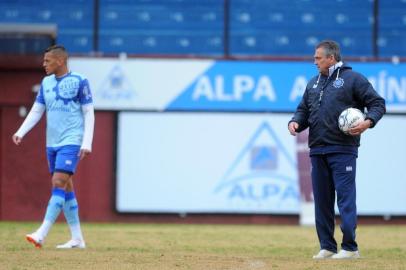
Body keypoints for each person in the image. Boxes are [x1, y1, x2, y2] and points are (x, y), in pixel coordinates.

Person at [288, 40, 385, 259]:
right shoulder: (313, 83)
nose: (314, 62)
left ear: (331, 58)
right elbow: (303, 110)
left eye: (318, 58)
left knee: (345, 200)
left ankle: (350, 248)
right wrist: (295, 122)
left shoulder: (353, 79)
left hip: (343, 149)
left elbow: (378, 103)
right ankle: (327, 247)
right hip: (317, 150)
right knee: (322, 201)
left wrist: (368, 121)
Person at [12, 44, 95, 249]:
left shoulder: (79, 81)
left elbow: (88, 112)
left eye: (47, 61)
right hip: (52, 143)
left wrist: (87, 142)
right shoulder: (46, 82)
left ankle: (41, 233)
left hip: (72, 140)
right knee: (66, 186)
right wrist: (20, 132)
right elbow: (36, 111)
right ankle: (77, 239)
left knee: (58, 181)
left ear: (61, 61)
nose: (44, 64)